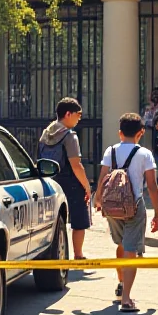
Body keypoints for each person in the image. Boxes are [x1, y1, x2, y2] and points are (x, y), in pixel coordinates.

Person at [96, 113, 158, 313]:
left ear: (120, 133)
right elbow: (152, 185)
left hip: (113, 206)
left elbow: (102, 177)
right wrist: (157, 212)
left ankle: (121, 282)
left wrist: (99, 199)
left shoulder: (111, 150)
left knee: (122, 244)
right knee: (131, 250)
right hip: (134, 206)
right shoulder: (145, 154)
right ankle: (126, 299)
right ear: (141, 133)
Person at [39, 98, 92, 260]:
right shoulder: (70, 136)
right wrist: (87, 186)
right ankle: (78, 254)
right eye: (78, 114)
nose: (79, 118)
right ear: (68, 114)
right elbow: (76, 165)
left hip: (50, 182)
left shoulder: (46, 133)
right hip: (70, 183)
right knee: (79, 220)